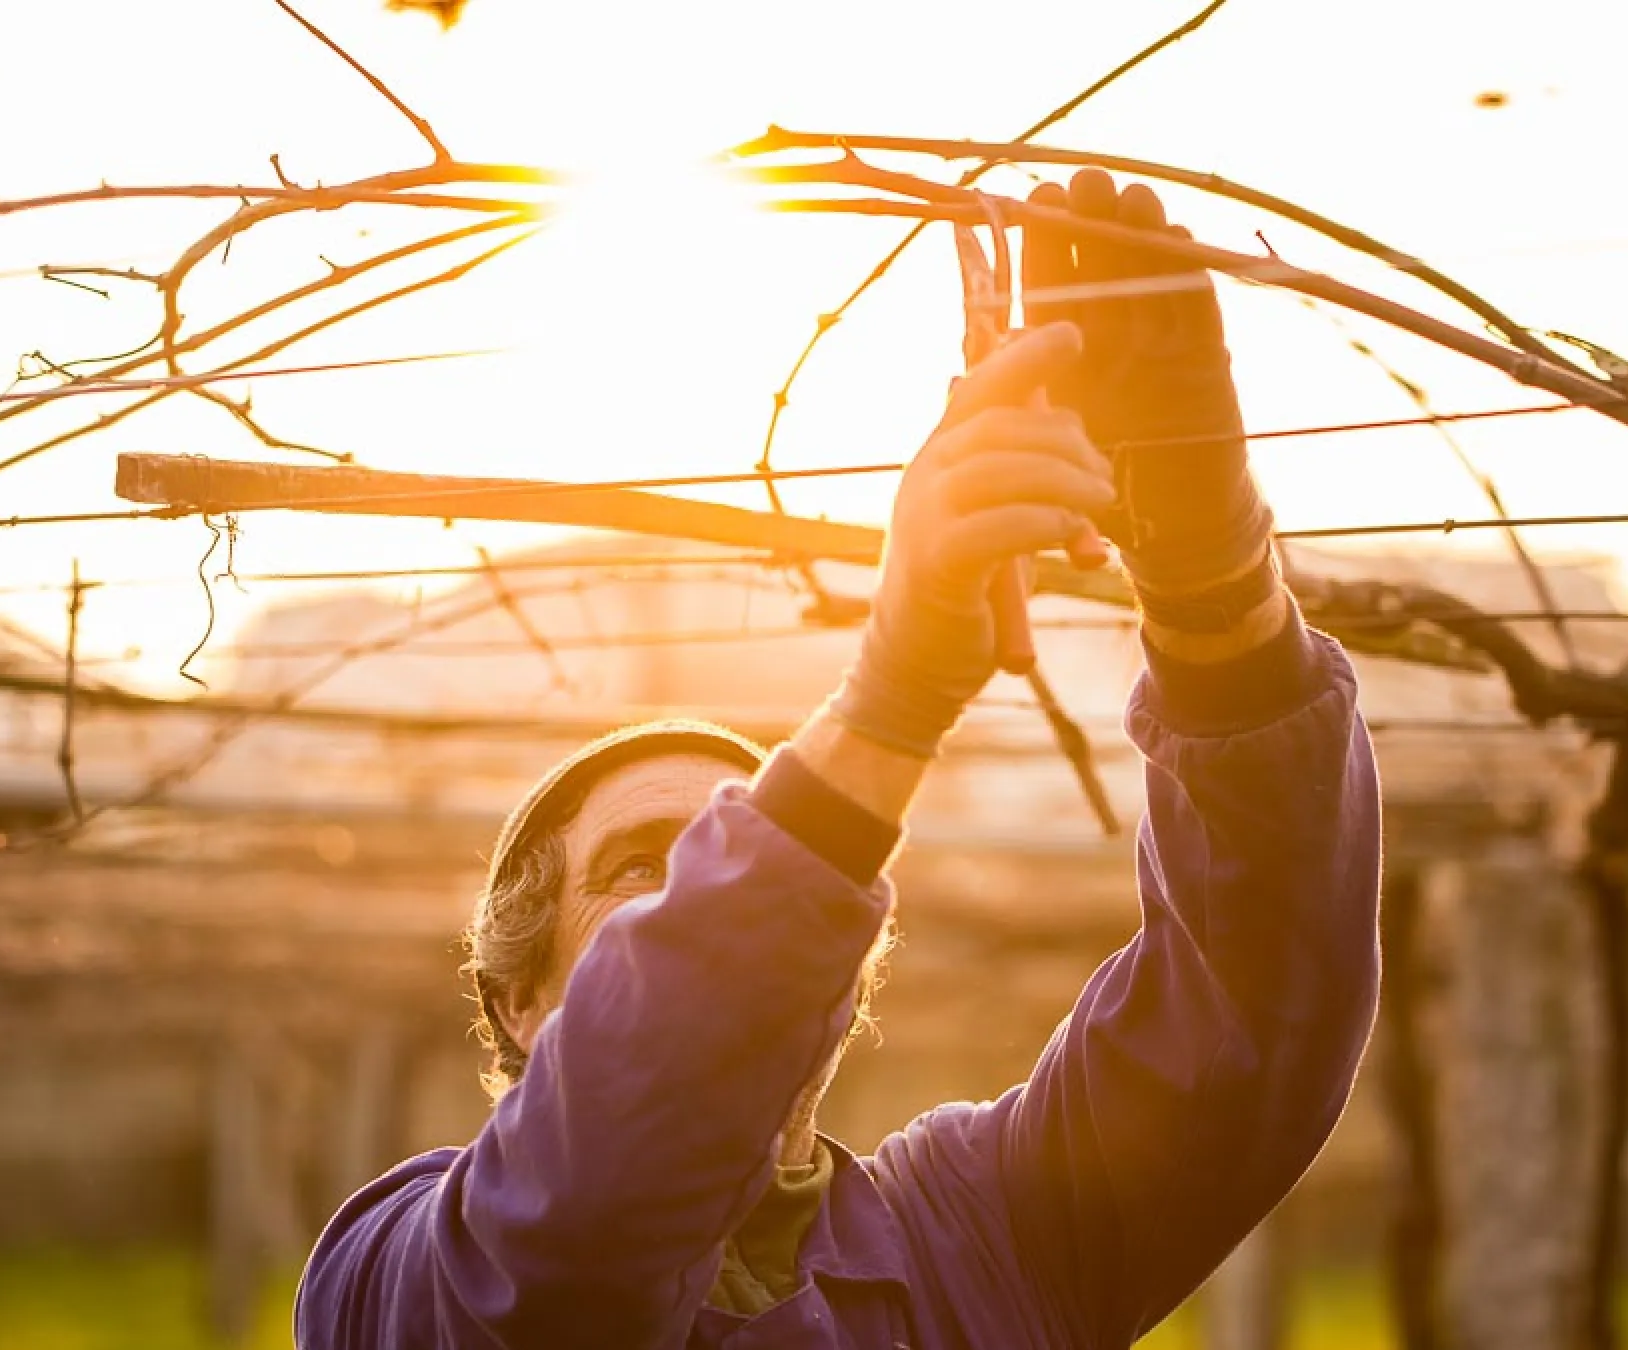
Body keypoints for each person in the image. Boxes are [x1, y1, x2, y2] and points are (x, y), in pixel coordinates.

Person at [296, 171, 1383, 1350]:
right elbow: (576, 1229)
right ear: (521, 1001)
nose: (707, 901)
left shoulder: (991, 1231)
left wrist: (1212, 574)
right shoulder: (394, 1277)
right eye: (641, 869)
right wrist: (893, 695)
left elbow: (1247, 1012)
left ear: (844, 974)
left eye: (735, 852)